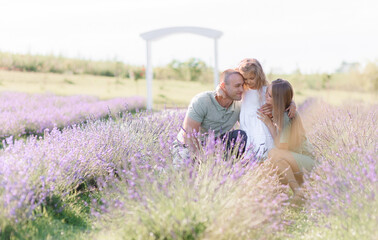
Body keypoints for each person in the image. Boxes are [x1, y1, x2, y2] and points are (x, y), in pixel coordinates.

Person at [257, 79, 316, 205]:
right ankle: (295, 193)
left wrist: (269, 124)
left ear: (277, 100)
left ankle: (297, 191)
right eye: (266, 93)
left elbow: (281, 148)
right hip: (296, 160)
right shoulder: (281, 112)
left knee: (273, 153)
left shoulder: (285, 116)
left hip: (307, 162)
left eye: (269, 95)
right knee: (275, 159)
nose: (265, 97)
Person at [173, 69, 248, 164]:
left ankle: (229, 168)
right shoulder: (202, 100)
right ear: (223, 86)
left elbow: (252, 128)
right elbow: (188, 135)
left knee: (240, 136)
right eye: (237, 86)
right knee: (185, 169)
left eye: (242, 85)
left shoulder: (239, 105)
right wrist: (202, 160)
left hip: (216, 144)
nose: (241, 89)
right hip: (189, 144)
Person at [237, 58, 296, 159]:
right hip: (248, 129)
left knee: (266, 155)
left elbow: (282, 97)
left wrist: (292, 104)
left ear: (258, 76)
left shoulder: (266, 89)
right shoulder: (243, 91)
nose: (248, 82)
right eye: (245, 79)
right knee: (249, 156)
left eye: (251, 78)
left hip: (263, 128)